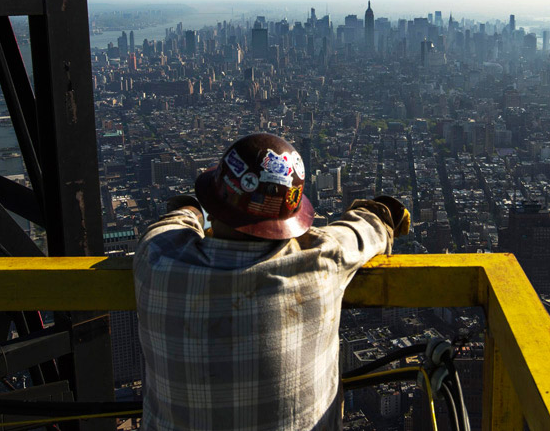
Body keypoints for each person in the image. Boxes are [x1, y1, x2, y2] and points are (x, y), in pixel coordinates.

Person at [133, 133, 410, 430]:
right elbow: (368, 226)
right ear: (290, 217)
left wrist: (191, 209)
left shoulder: (157, 259)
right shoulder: (322, 261)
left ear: (214, 205)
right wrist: (380, 211)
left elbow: (172, 223)